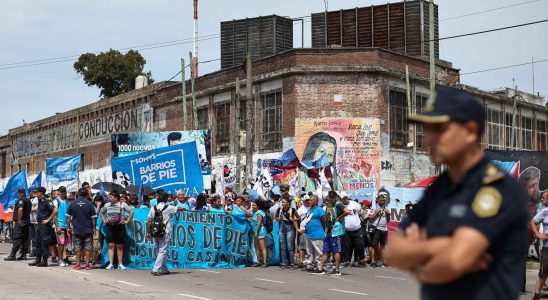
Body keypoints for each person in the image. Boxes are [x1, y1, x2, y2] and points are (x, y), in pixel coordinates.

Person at [384, 85, 529, 300]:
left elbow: (454, 261)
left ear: (470, 131)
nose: (429, 138)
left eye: (440, 129)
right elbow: (393, 252)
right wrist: (439, 246)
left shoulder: (497, 188)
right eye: (427, 129)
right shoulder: (440, 188)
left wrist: (420, 254)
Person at [146, 192, 187, 276]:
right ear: (165, 199)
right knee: (162, 250)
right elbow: (179, 209)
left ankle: (164, 269)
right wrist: (184, 209)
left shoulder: (153, 208)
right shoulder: (168, 207)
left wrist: (148, 232)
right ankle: (155, 269)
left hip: (155, 231)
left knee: (159, 251)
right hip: (165, 231)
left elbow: (149, 221)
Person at [311, 192, 350, 276]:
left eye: (333, 197)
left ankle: (336, 270)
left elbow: (347, 211)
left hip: (337, 232)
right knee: (326, 251)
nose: (331, 198)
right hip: (329, 231)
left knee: (336, 251)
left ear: (336, 197)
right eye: (330, 197)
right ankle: (320, 268)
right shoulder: (329, 206)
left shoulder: (338, 204)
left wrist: (339, 217)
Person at [100, 190, 134, 270]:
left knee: (119, 246)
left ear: (116, 198)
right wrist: (104, 220)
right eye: (109, 197)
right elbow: (101, 212)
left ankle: (120, 264)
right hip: (109, 227)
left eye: (111, 197)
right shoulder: (107, 205)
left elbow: (131, 212)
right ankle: (111, 264)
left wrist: (127, 221)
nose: (109, 198)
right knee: (111, 245)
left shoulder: (123, 204)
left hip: (120, 227)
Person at [66, 188, 97, 271]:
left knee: (77, 247)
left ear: (78, 194)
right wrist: (94, 228)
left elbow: (68, 217)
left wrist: (68, 227)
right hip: (88, 229)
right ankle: (87, 265)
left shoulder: (73, 204)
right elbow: (93, 218)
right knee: (88, 247)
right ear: (86, 194)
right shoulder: (90, 204)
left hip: (76, 230)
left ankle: (78, 265)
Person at [29, 187, 59, 267]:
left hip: (45, 225)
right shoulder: (39, 201)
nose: (36, 194)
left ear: (41, 193)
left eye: (37, 192)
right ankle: (38, 260)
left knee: (44, 243)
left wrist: (48, 220)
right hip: (39, 224)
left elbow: (55, 210)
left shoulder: (47, 201)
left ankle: (44, 261)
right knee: (38, 242)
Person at [530, 190, 548, 299]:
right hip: (547, 248)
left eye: (544, 197)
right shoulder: (545, 211)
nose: (542, 199)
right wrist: (537, 234)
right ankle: (536, 296)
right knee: (543, 273)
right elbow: (532, 222)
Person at [4, 189, 32, 261]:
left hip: (20, 222)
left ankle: (12, 255)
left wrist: (19, 220)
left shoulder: (21, 200)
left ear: (20, 193)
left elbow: (20, 209)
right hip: (26, 222)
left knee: (17, 238)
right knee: (24, 239)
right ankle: (23, 254)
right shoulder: (28, 200)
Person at [300, 195, 325, 271]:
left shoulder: (319, 210)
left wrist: (320, 229)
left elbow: (323, 221)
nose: (309, 201)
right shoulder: (309, 210)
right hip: (309, 234)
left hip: (317, 234)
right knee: (310, 251)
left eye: (311, 200)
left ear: (316, 201)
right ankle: (310, 265)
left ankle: (319, 266)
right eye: (309, 200)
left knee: (318, 251)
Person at [340, 192, 365, 267]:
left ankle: (361, 260)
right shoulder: (339, 206)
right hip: (346, 230)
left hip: (357, 228)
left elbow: (360, 212)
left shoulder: (354, 204)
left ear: (347, 197)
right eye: (342, 198)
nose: (344, 199)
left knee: (360, 244)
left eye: (345, 197)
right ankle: (347, 261)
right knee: (347, 246)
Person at [275, 196, 299, 269]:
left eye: (284, 202)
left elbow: (298, 218)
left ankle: (292, 263)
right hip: (282, 229)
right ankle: (283, 263)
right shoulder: (279, 209)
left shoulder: (292, 210)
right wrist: (278, 218)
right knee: (283, 247)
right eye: (282, 202)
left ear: (288, 203)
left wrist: (293, 219)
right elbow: (276, 217)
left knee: (290, 247)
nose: (282, 203)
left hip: (289, 229)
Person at [369, 190, 391, 267]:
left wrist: (388, 214)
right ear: (377, 200)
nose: (383, 201)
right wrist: (376, 213)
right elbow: (370, 218)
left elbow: (388, 220)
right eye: (381, 199)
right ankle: (373, 261)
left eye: (384, 199)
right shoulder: (374, 207)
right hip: (376, 229)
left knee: (383, 246)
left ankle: (384, 261)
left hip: (384, 229)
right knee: (374, 245)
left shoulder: (386, 208)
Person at [54, 186, 71, 267]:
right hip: (60, 225)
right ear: (59, 192)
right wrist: (57, 226)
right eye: (62, 191)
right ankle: (60, 259)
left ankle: (63, 259)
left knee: (64, 243)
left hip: (66, 225)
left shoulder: (67, 201)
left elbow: (69, 215)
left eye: (64, 191)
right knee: (60, 243)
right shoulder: (56, 201)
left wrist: (68, 226)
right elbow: (54, 215)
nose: (63, 193)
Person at [251, 200, 269, 267]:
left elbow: (259, 222)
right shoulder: (255, 212)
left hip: (261, 231)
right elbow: (255, 221)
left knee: (262, 247)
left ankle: (264, 262)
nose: (253, 206)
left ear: (258, 206)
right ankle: (258, 261)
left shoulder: (259, 212)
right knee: (257, 247)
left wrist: (256, 231)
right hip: (256, 231)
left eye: (254, 205)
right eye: (252, 205)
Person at [296, 195, 311, 267]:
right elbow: (295, 219)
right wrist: (297, 228)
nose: (308, 201)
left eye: (309, 200)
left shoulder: (313, 208)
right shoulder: (300, 209)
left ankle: (309, 261)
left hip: (311, 231)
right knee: (303, 247)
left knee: (310, 247)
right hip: (303, 231)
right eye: (306, 200)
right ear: (304, 201)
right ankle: (301, 261)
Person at [28, 189, 39, 257]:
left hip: (37, 221)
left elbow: (36, 208)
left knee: (37, 236)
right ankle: (34, 250)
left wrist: (30, 209)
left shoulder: (37, 199)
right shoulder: (30, 200)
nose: (30, 193)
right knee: (32, 236)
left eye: (31, 192)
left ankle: (37, 251)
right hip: (31, 220)